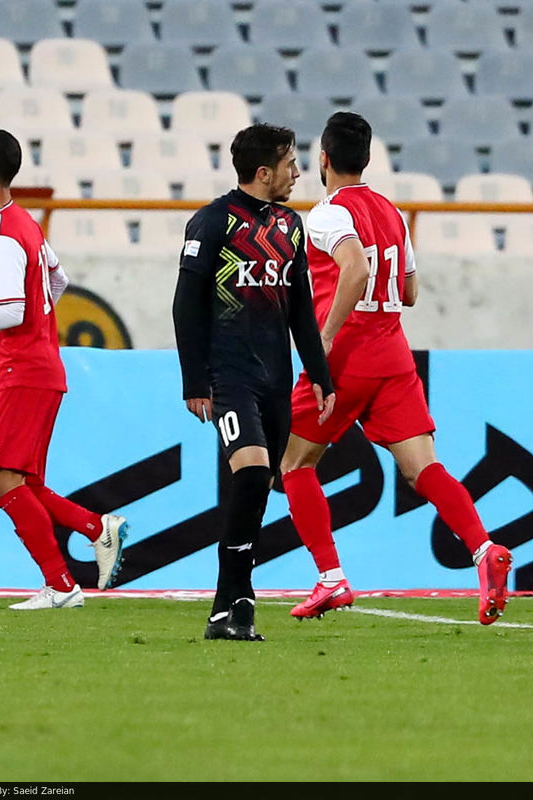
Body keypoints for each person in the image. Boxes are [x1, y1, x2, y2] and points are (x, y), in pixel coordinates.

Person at [280, 111, 512, 625]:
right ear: (365, 159)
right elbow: (408, 292)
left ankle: (330, 578)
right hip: (393, 352)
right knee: (424, 469)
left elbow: (356, 269)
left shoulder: (324, 215)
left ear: (323, 160)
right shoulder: (390, 211)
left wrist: (323, 338)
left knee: (295, 464)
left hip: (346, 355)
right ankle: (483, 549)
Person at [0, 126, 126, 609]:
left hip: (26, 373)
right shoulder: (23, 224)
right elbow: (58, 280)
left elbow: (11, 308)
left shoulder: (1, 237)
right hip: (35, 366)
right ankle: (96, 530)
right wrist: (13, 340)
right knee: (19, 483)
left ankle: (61, 584)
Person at [173, 123, 336, 642]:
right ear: (264, 172)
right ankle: (234, 598)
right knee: (250, 471)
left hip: (277, 378)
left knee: (261, 489)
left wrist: (319, 374)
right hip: (229, 375)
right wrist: (195, 380)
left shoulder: (291, 227)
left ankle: (232, 607)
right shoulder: (212, 223)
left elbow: (302, 311)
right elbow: (186, 306)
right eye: (290, 163)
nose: (298, 172)